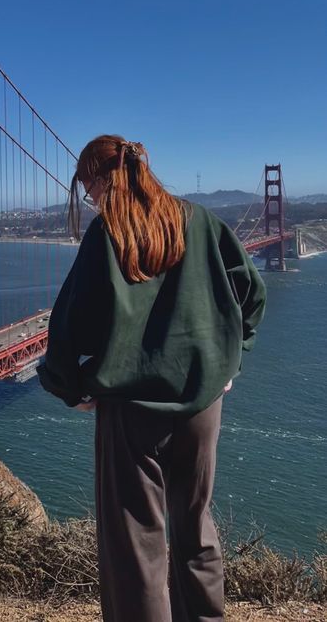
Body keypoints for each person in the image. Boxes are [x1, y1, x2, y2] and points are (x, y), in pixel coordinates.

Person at [37, 134, 266, 622]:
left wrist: (69, 389)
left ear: (99, 179)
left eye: (87, 189)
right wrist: (231, 362)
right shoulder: (200, 220)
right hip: (203, 405)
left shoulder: (106, 234)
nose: (90, 200)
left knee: (136, 548)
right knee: (196, 527)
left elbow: (66, 328)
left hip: (131, 414)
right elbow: (252, 293)